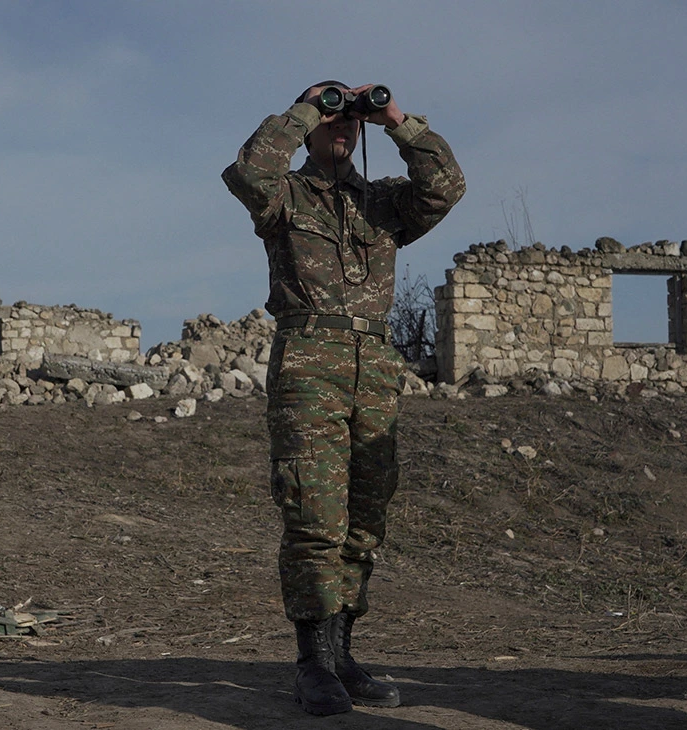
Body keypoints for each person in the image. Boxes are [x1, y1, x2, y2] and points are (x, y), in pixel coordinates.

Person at [221, 80, 465, 715]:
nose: (341, 125)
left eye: (348, 119)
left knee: (365, 519)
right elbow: (249, 172)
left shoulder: (383, 203)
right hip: (309, 364)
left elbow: (445, 188)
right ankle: (314, 665)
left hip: (375, 370)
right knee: (314, 514)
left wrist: (395, 119)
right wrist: (307, 108)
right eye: (332, 116)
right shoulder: (285, 195)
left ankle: (343, 654)